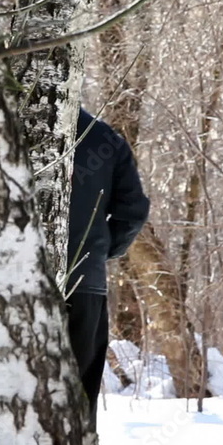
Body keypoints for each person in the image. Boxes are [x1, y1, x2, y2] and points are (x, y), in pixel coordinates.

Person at [66, 108, 150, 425]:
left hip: (17, 280)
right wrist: (100, 250)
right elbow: (133, 210)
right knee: (78, 391)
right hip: (85, 281)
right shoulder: (104, 137)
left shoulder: (5, 128)